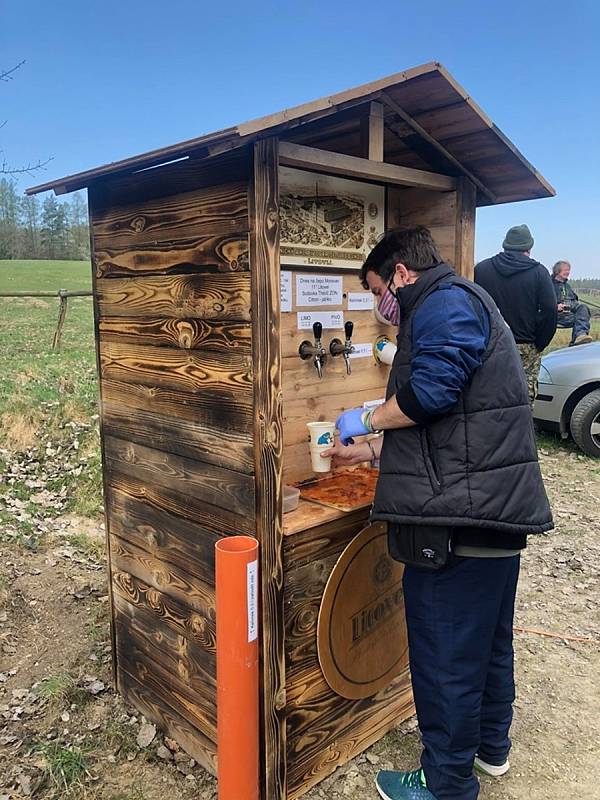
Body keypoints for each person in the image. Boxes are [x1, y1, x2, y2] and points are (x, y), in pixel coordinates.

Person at [322, 226, 553, 800]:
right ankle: (490, 749)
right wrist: (371, 446)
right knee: (489, 642)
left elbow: (431, 395)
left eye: (379, 289)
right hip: (488, 511)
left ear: (401, 274)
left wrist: (368, 419)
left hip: (458, 521)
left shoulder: (445, 303)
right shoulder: (461, 302)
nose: (381, 306)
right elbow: (451, 424)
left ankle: (446, 784)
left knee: (446, 655)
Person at [474, 224, 557, 407]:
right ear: (529, 247)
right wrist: (540, 342)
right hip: (525, 345)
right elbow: (550, 309)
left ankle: (489, 432)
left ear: (505, 245)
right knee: (523, 397)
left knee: (488, 391)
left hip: (489, 343)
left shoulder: (481, 269)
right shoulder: (538, 272)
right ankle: (519, 433)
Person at [551, 260, 593, 345]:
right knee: (580, 320)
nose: (568, 272)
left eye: (568, 270)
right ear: (557, 271)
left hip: (568, 314)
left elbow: (574, 301)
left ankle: (579, 337)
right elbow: (542, 302)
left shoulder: (567, 286)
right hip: (555, 316)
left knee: (583, 311)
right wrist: (555, 307)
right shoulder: (548, 284)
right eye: (565, 270)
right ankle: (577, 340)